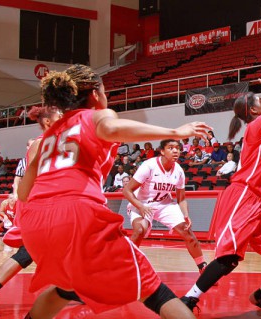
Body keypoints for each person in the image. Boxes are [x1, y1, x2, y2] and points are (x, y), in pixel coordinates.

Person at [17, 64, 210, 319]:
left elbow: (23, 191)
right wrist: (176, 132)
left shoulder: (52, 132)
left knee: (66, 287)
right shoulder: (95, 116)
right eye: (105, 91)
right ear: (96, 94)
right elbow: (111, 128)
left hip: (34, 224)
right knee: (153, 290)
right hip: (76, 214)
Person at [180, 68, 261, 316]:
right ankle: (188, 299)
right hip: (244, 196)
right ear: (253, 111)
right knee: (229, 258)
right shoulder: (256, 127)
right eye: (260, 100)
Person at [0, 106, 63, 319]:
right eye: (60, 115)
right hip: (39, 206)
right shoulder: (42, 144)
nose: (65, 118)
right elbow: (26, 182)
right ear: (47, 122)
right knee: (28, 254)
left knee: (32, 255)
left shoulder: (61, 144)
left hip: (52, 207)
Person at [123, 139, 208, 272]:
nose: (175, 151)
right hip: (142, 203)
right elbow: (127, 190)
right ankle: (127, 265)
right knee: (139, 231)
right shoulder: (149, 166)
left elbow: (181, 199)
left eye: (178, 148)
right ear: (162, 151)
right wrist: (140, 206)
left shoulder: (179, 171)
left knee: (187, 232)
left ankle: (203, 267)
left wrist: (185, 215)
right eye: (171, 148)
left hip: (164, 204)